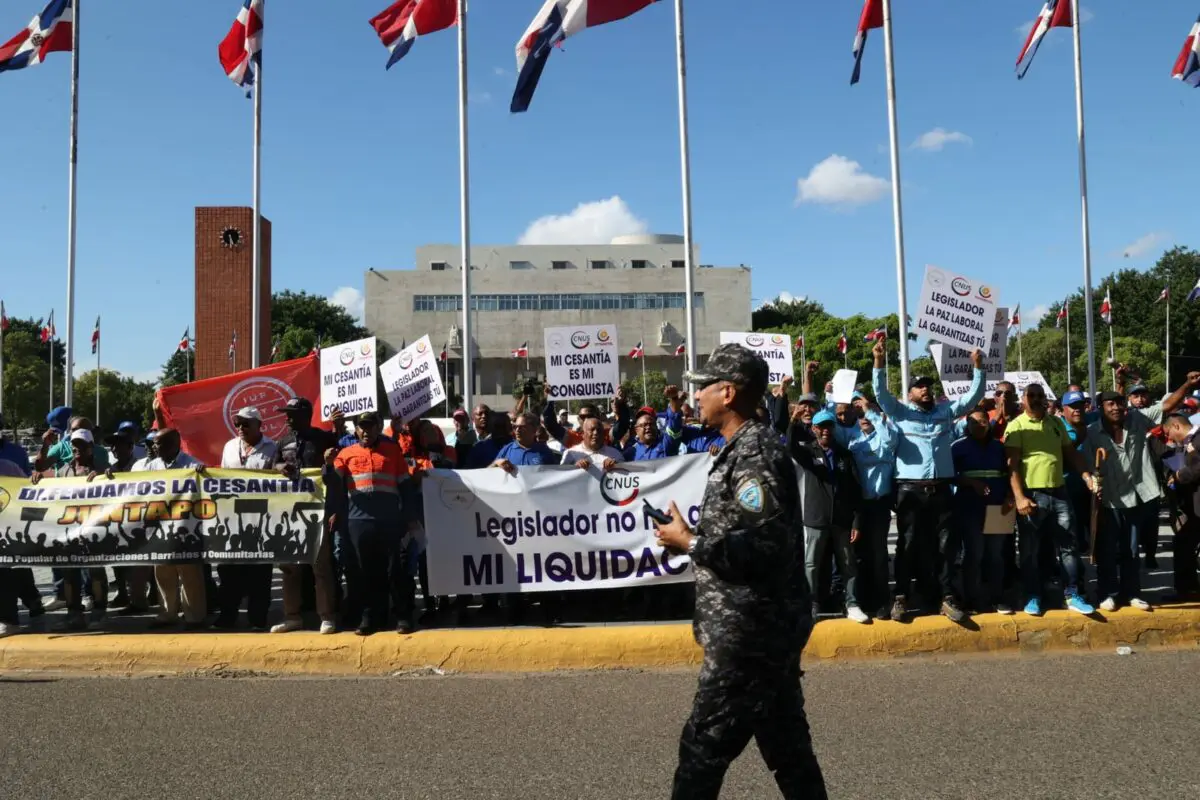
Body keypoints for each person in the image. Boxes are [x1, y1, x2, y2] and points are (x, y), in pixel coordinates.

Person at [652, 344, 827, 799]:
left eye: (703, 388)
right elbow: (750, 533)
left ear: (727, 393)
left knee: (702, 752)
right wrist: (691, 533)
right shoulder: (744, 448)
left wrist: (688, 542)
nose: (697, 397)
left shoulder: (755, 453)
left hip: (750, 634)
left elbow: (765, 545)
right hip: (760, 629)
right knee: (788, 749)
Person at [873, 339, 985, 622]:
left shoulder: (944, 413)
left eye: (928, 386)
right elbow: (880, 394)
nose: (925, 390)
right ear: (909, 394)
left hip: (943, 490)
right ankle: (900, 597)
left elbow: (973, 398)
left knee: (946, 546)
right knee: (907, 545)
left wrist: (978, 367)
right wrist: (878, 362)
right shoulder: (899, 413)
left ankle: (946, 597)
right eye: (919, 386)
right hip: (909, 491)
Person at [1082, 377, 1197, 611]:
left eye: (1119, 403)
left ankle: (1132, 593)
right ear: (1101, 409)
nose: (1116, 407)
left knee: (1132, 549)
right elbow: (1085, 464)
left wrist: (1186, 384)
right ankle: (1107, 593)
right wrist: (1092, 480)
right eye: (1110, 404)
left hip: (1136, 497)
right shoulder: (1093, 432)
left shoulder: (1138, 418)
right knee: (1107, 550)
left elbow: (1167, 406)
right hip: (1109, 499)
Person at [325, 411, 420, 635]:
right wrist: (328, 465)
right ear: (356, 429)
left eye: (370, 426)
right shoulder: (345, 454)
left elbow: (405, 485)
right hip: (357, 522)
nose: (366, 431)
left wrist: (409, 515)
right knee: (362, 572)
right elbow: (334, 485)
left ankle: (402, 617)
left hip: (389, 521)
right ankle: (368, 617)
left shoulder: (393, 451)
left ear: (378, 427)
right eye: (361, 427)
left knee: (394, 569)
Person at [1005, 383, 1096, 616]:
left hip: (1060, 493)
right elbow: (1012, 466)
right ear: (1024, 399)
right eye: (1031, 396)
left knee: (1069, 546)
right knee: (1030, 551)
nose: (1036, 399)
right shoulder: (1016, 426)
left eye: (1039, 395)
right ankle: (1033, 596)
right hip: (1032, 497)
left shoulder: (1056, 423)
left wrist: (1086, 476)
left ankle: (1072, 594)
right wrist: (1019, 497)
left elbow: (1071, 453)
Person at [271, 398, 339, 635]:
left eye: (292, 414)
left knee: (321, 567)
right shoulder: (283, 442)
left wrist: (338, 430)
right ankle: (292, 617)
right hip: (289, 513)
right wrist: (279, 468)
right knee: (289, 568)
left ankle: (327, 616)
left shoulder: (323, 439)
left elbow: (336, 468)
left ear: (306, 415)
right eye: (286, 414)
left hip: (317, 512)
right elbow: (271, 468)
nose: (287, 419)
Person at [794, 409, 867, 624]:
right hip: (816, 518)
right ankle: (810, 604)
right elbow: (790, 446)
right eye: (821, 426)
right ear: (814, 429)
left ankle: (852, 604)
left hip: (842, 520)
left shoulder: (845, 454)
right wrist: (793, 421)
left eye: (829, 426)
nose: (826, 430)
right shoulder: (807, 452)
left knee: (848, 564)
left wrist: (856, 521)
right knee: (811, 564)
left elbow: (856, 490)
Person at [31, 429, 108, 630]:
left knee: (96, 572)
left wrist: (104, 477)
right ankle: (74, 614)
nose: (77, 449)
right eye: (74, 445)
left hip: (93, 529)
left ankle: (100, 612)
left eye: (82, 445)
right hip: (68, 530)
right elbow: (39, 466)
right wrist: (39, 477)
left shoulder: (100, 471)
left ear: (91, 448)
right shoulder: (64, 471)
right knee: (69, 571)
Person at [213, 407, 279, 631]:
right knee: (228, 570)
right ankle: (227, 617)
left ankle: (257, 618)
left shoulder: (272, 447)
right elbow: (222, 477)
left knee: (259, 572)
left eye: (246, 423)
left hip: (261, 518)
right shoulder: (229, 447)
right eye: (238, 423)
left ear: (259, 425)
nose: (241, 428)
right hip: (232, 519)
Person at [139, 429, 208, 629]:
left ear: (173, 444)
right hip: (160, 527)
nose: (153, 447)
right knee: (162, 572)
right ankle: (167, 613)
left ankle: (194, 617)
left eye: (158, 443)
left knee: (189, 573)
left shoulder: (193, 465)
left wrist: (203, 475)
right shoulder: (151, 466)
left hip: (186, 528)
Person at [952, 409, 1013, 613]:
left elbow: (1010, 474)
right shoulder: (957, 447)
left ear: (989, 423)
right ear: (967, 425)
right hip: (970, 507)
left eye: (983, 421)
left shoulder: (1000, 447)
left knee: (996, 554)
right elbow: (950, 475)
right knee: (974, 554)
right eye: (974, 422)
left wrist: (1009, 497)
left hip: (999, 507)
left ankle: (997, 597)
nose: (979, 425)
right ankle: (972, 599)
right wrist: (971, 482)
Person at [847, 406, 899, 619]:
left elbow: (888, 439)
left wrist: (870, 411)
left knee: (879, 554)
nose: (864, 419)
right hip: (858, 507)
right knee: (859, 555)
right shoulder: (852, 439)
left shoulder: (886, 435)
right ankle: (862, 598)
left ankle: (882, 600)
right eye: (860, 416)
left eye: (867, 415)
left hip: (879, 505)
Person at [1163, 413, 1200, 600]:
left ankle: (1186, 590)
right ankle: (1189, 589)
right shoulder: (1186, 443)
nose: (1169, 438)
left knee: (1184, 544)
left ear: (1176, 426)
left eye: (1169, 432)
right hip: (1191, 505)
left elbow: (1196, 469)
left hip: (1197, 506)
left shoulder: (1198, 439)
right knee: (1184, 545)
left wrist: (1178, 476)